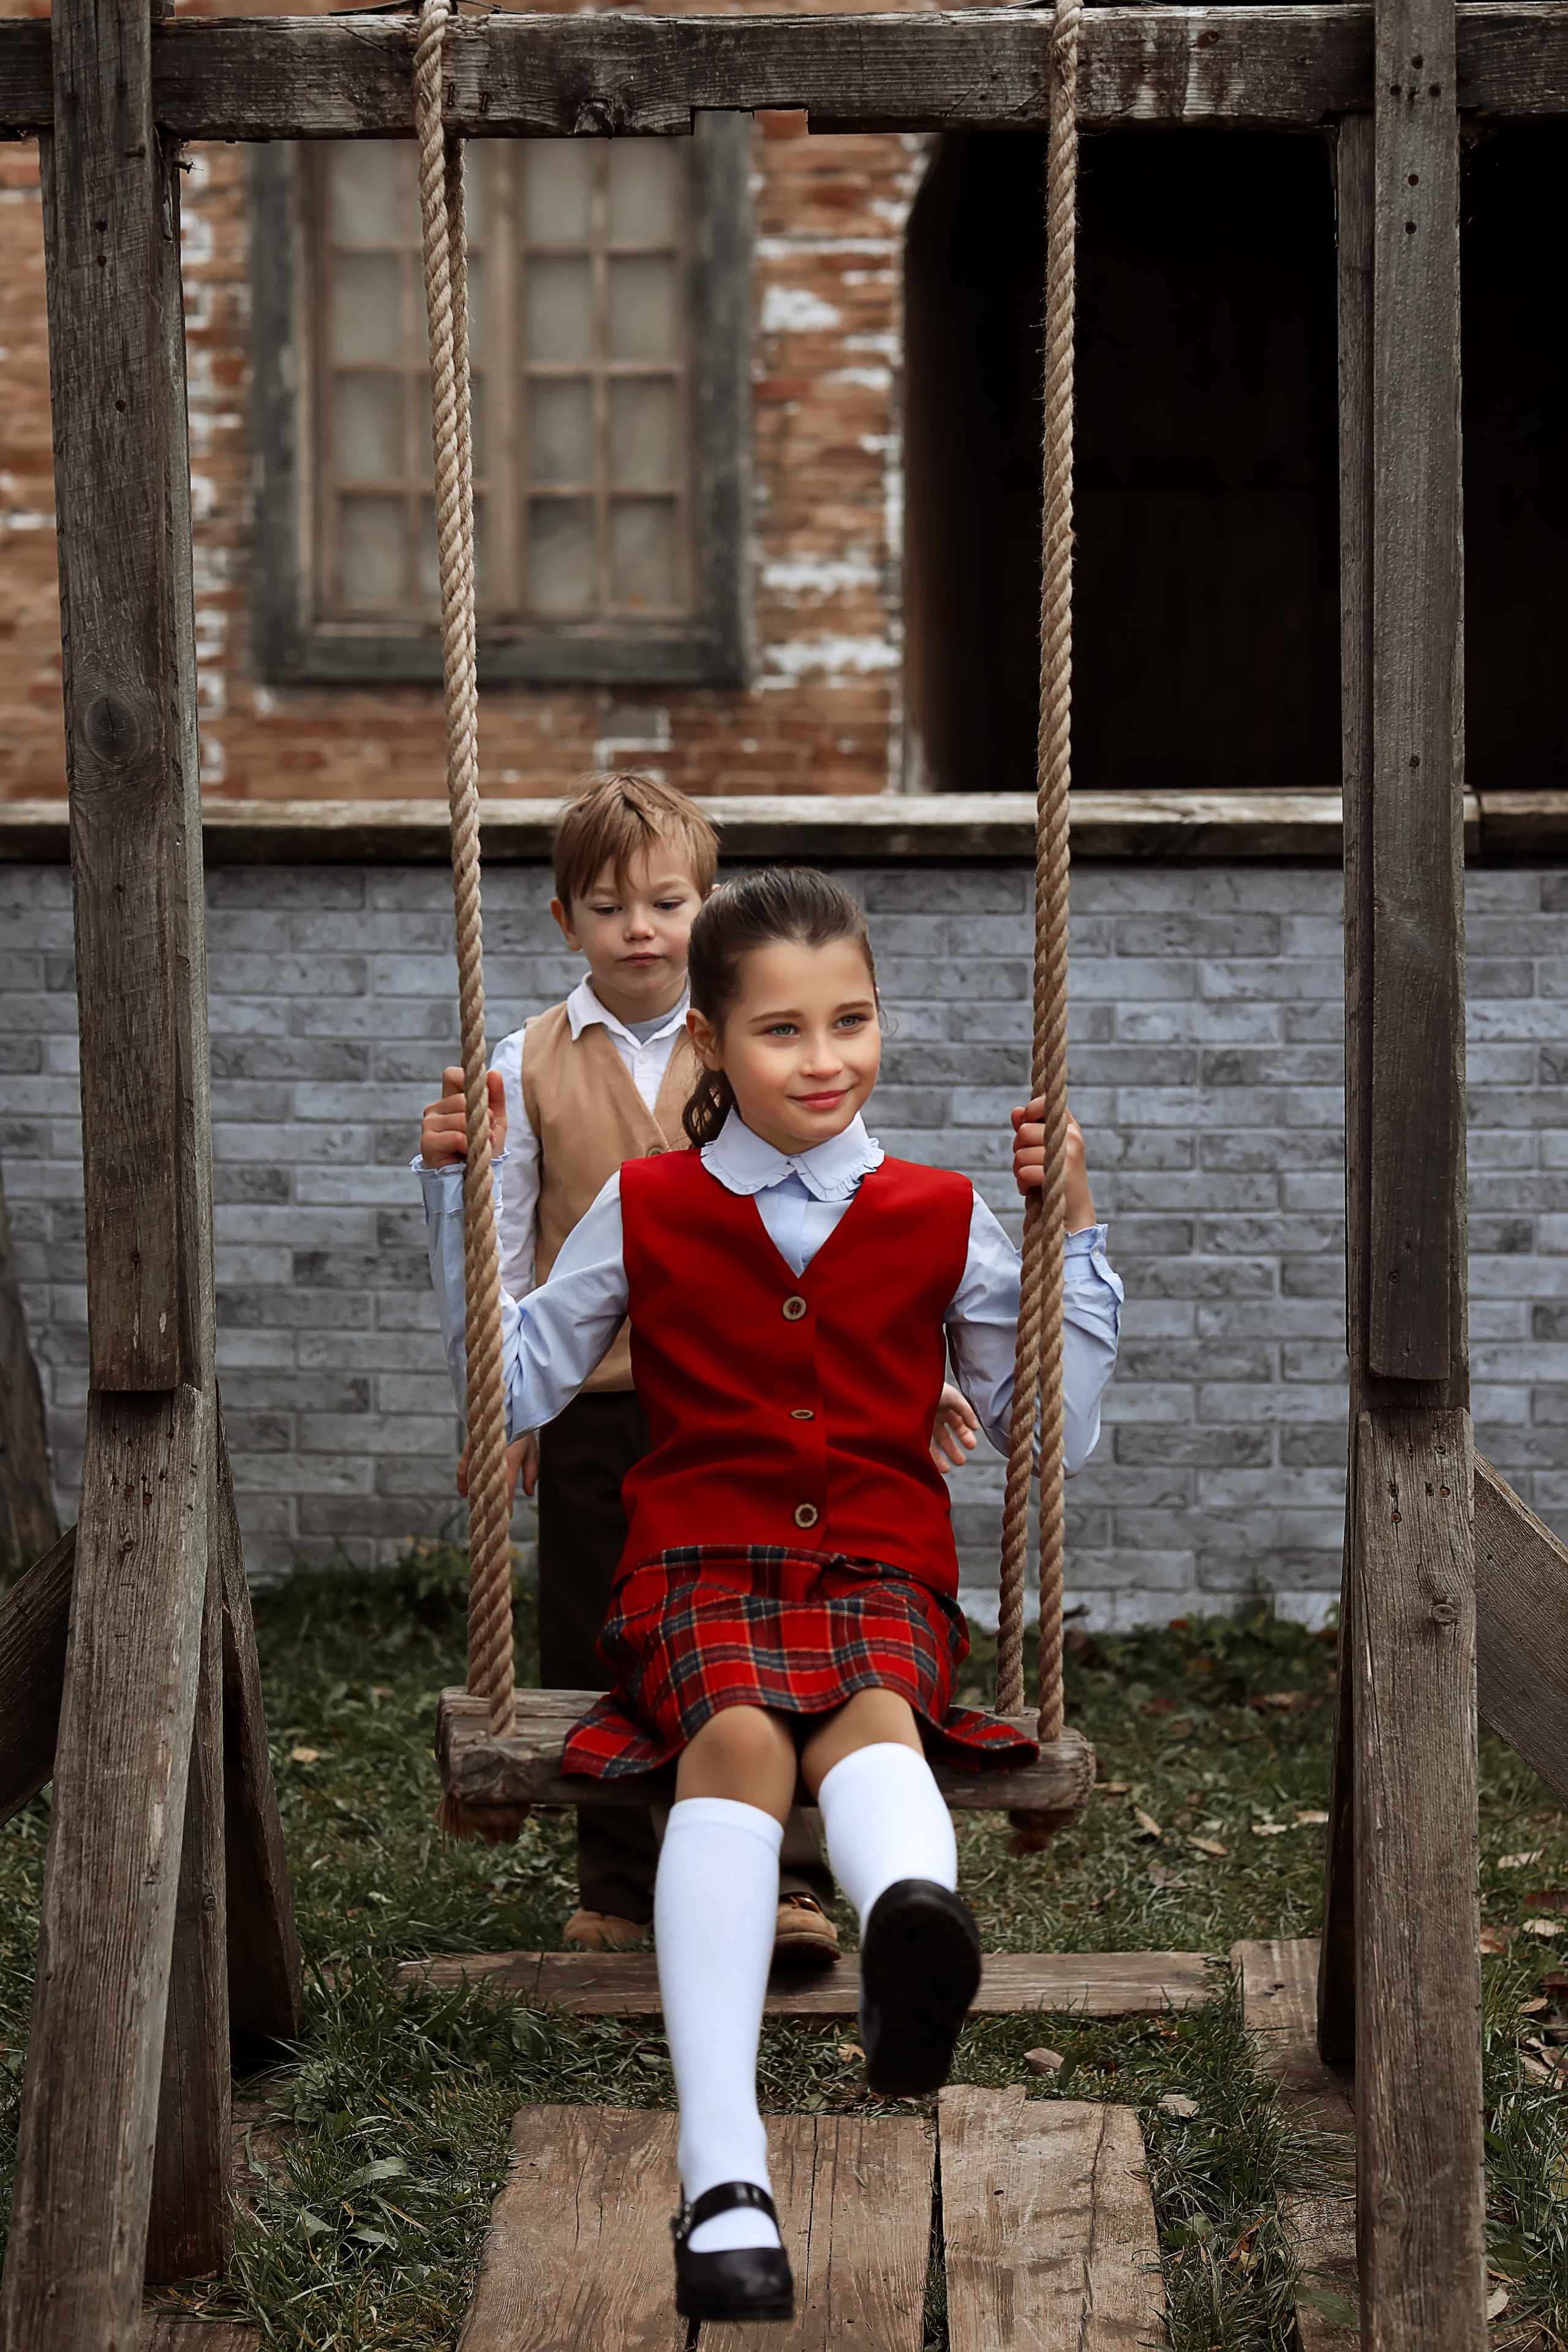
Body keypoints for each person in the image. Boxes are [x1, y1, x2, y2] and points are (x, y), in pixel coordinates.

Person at [420, 869, 1121, 2324]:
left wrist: (1076, 1240)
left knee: (877, 1718)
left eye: (851, 1021)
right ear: (713, 1047)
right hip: (692, 1562)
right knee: (731, 1739)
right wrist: (455, 1194)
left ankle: (908, 1921)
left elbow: (1049, 1431)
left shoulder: (938, 1208)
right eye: (785, 1031)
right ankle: (721, 2163)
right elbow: (514, 1378)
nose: (825, 1060)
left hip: (876, 1563)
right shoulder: (649, 1202)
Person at [417, 771, 843, 1962]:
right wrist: (500, 1409)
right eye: (608, 908)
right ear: (565, 923)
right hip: (594, 1403)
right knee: (603, 1634)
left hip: (747, 1393)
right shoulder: (527, 1060)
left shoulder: (746, 1045)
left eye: (666, 902)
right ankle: (615, 1884)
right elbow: (498, 1242)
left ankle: (784, 1879)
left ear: (709, 910)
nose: (640, 929)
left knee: (766, 1618)